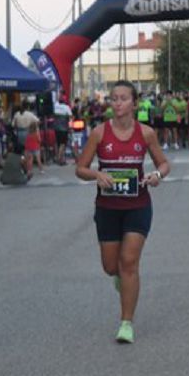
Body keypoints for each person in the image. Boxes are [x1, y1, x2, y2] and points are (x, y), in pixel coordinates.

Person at [76, 80, 170, 344]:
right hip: (107, 208)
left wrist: (155, 175)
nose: (117, 103)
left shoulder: (147, 133)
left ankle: (126, 322)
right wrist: (97, 174)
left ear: (134, 103)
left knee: (129, 262)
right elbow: (80, 168)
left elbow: (163, 164)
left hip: (137, 206)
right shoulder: (98, 133)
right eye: (113, 98)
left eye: (123, 98)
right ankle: (120, 279)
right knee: (110, 266)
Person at [53, 97, 72, 165]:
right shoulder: (66, 107)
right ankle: (59, 158)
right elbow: (70, 117)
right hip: (64, 128)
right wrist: (70, 128)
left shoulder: (55, 106)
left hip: (56, 128)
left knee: (58, 143)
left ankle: (61, 159)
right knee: (63, 144)